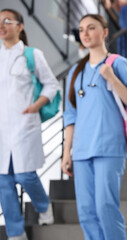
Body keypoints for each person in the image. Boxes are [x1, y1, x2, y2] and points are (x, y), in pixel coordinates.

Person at [61, 14, 127, 240]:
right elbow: (70, 115)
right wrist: (66, 152)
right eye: (81, 29)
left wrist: (112, 79)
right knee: (86, 212)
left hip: (109, 147)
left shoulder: (117, 63)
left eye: (91, 28)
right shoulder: (75, 72)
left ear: (105, 32)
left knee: (106, 208)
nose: (85, 33)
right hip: (81, 151)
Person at [0, 9, 58, 240]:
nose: (2, 25)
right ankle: (16, 233)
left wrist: (36, 105)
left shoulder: (32, 54)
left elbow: (51, 85)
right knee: (3, 181)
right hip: (2, 129)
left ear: (20, 26)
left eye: (7, 21)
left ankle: (44, 206)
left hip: (25, 124)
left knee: (25, 176)